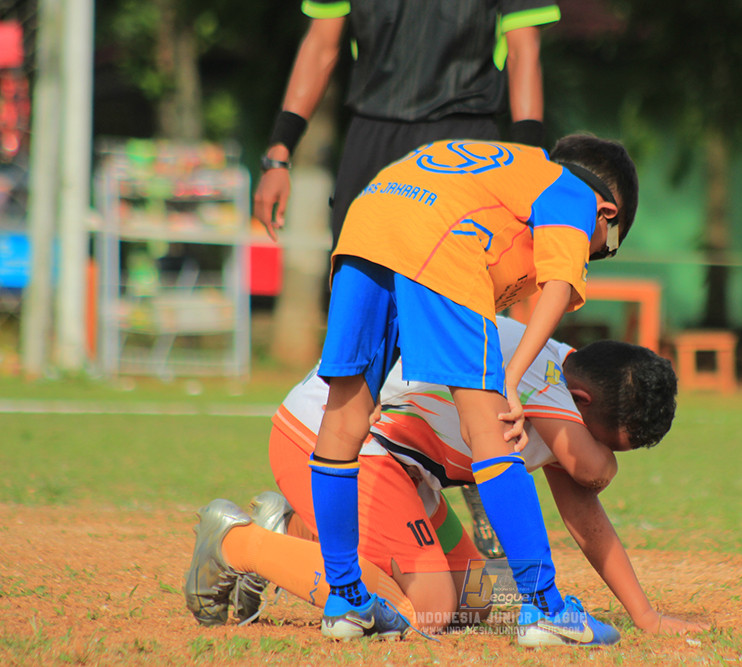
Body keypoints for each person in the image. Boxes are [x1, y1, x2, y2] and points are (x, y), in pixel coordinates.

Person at [256, 132, 640, 643]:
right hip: (438, 241)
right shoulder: (570, 189)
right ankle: (545, 608)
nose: (593, 256)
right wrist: (510, 376)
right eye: (604, 247)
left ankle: (346, 599)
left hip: (369, 218)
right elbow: (558, 287)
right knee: (492, 431)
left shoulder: (504, 173)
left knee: (345, 416)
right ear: (605, 212)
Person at [184, 317, 709, 641]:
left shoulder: (564, 391)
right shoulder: (545, 381)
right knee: (429, 608)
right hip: (328, 442)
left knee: (485, 595)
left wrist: (644, 614)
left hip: (394, 464)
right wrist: (606, 461)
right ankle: (236, 542)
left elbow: (586, 518)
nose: (601, 457)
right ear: (585, 404)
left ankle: (291, 529)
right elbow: (592, 472)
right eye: (606, 440)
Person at [253, 0, 560, 247]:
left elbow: (524, 52)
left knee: (452, 304)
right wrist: (278, 154)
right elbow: (320, 46)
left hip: (463, 145)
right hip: (372, 142)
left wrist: (527, 164)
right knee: (358, 300)